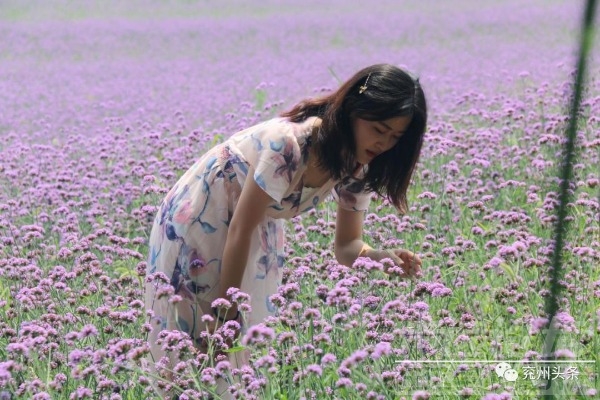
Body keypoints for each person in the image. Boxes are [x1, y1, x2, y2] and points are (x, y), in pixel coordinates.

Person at [144, 63, 426, 383]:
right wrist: (224, 315)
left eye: (395, 137)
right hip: (201, 216)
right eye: (379, 129)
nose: (384, 144)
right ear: (353, 110)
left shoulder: (358, 167)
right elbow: (239, 229)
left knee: (241, 357)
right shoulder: (289, 144)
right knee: (196, 341)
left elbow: (347, 247)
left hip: (253, 227)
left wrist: (381, 258)